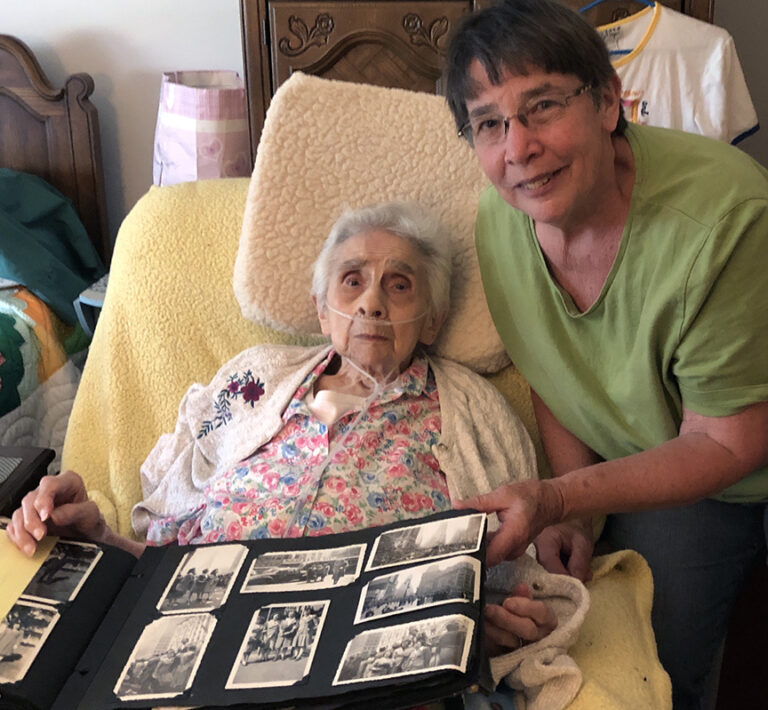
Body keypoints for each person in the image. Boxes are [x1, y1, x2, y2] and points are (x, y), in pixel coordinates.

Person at [7, 201, 566, 689]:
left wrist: (482, 622)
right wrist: (98, 537)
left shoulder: (473, 415)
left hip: (365, 666)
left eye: (400, 285)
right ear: (322, 309)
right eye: (352, 279)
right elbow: (164, 556)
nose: (372, 302)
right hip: (191, 644)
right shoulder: (253, 380)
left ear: (433, 319)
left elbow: (507, 563)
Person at [443, 1, 768, 708]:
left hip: (735, 468)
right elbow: (552, 368)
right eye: (490, 124)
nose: (518, 147)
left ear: (609, 104)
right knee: (609, 666)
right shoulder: (503, 220)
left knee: (663, 665)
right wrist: (571, 515)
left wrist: (560, 497)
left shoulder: (724, 217)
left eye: (543, 106)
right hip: (652, 461)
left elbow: (728, 441)